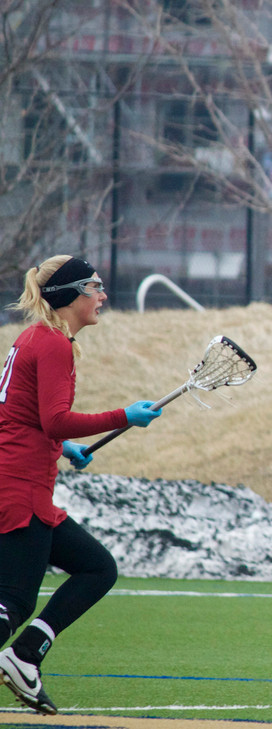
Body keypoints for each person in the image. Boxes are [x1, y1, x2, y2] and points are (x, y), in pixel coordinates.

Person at [0, 255, 163, 715]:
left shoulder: (36, 337)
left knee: (97, 568)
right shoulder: (51, 343)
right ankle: (20, 652)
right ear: (72, 294)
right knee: (12, 600)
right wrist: (123, 416)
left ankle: (26, 655)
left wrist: (66, 449)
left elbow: (22, 416)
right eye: (95, 287)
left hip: (21, 479)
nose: (102, 296)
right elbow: (54, 419)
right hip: (20, 487)